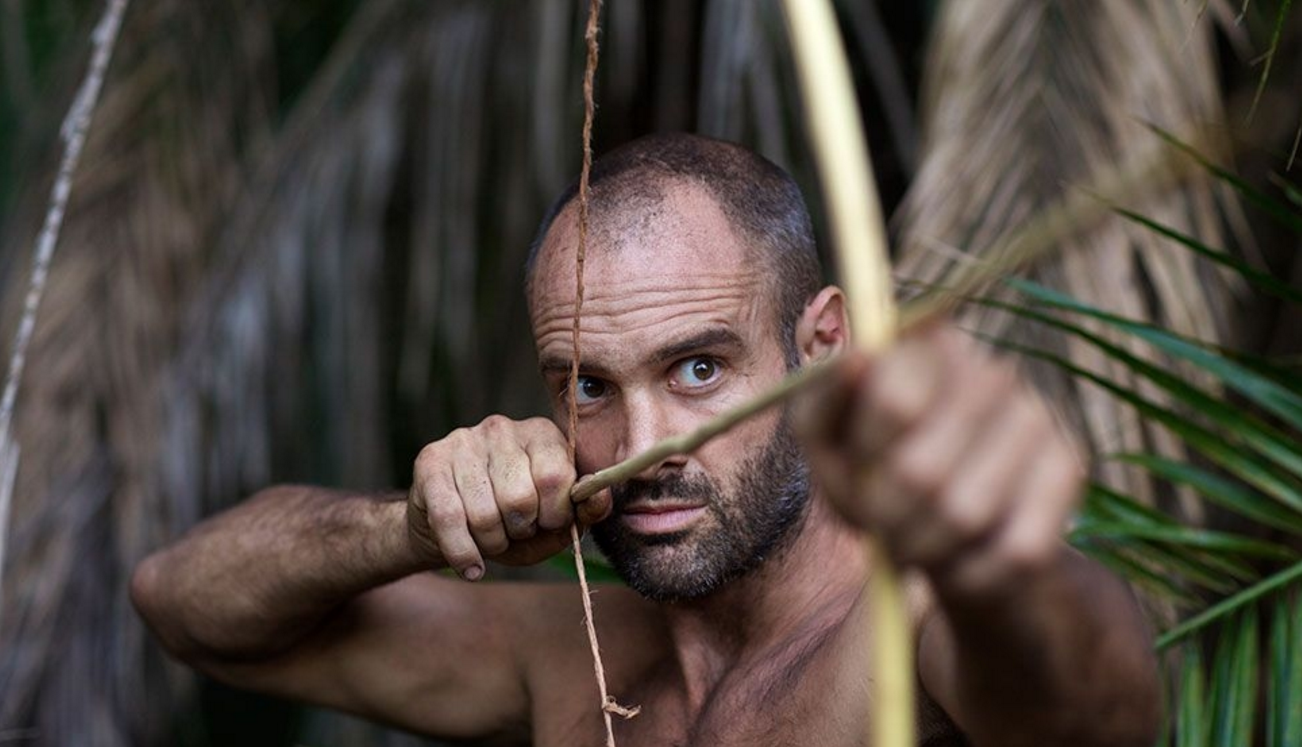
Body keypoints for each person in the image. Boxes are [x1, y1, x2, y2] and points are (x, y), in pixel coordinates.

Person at [132, 133, 1160, 746]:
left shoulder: (914, 621)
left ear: (824, 347)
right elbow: (182, 601)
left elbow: (1093, 715)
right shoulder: (569, 658)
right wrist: (405, 527)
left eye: (699, 367)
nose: (645, 441)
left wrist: (994, 566)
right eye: (589, 386)